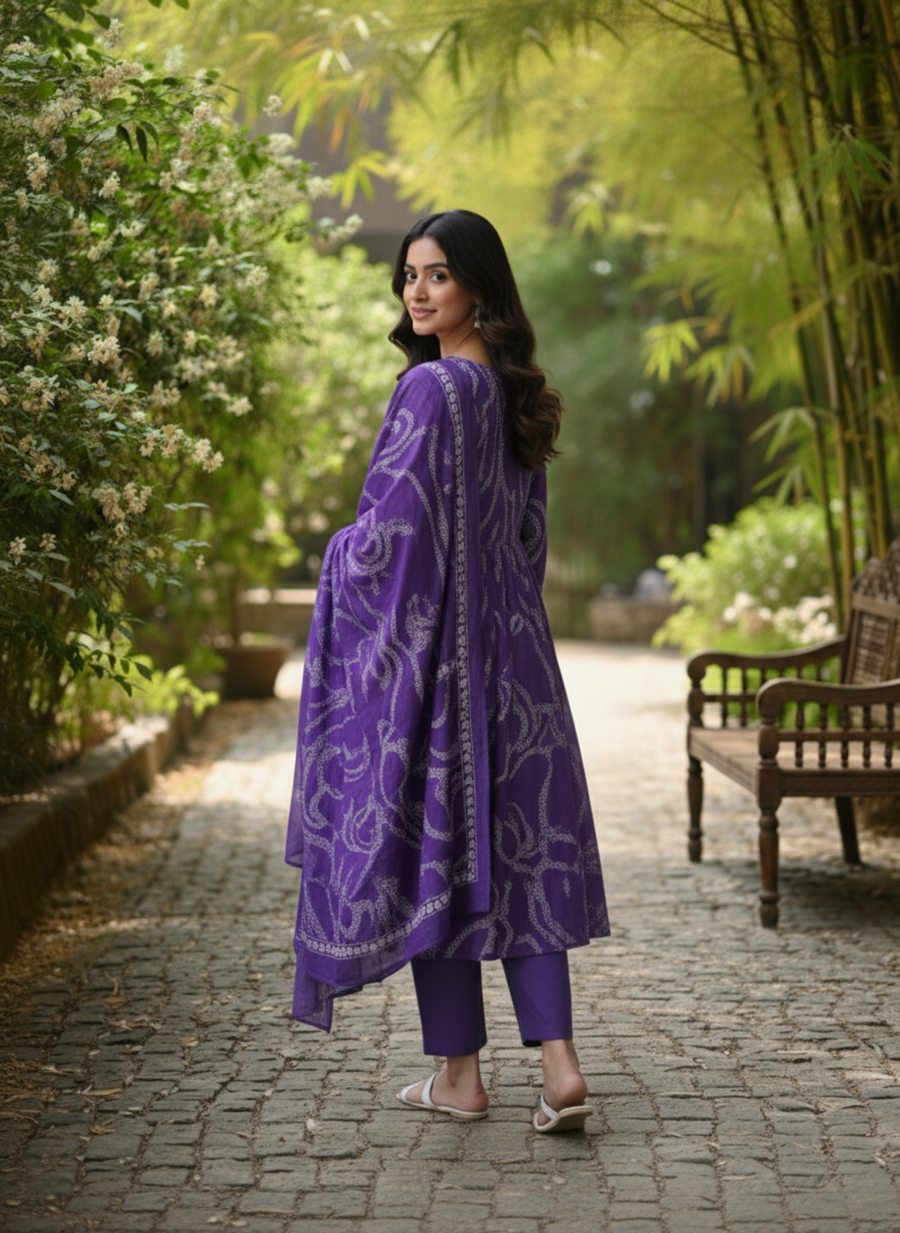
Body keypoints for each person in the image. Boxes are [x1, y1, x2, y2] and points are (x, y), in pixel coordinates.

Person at [286, 209, 609, 1131]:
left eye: (436, 275)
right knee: (518, 862)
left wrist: (340, 558)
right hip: (521, 668)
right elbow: (527, 541)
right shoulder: (516, 394)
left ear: (477, 285)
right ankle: (559, 1065)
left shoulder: (429, 392)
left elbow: (387, 541)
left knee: (437, 853)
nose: (417, 292)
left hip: (442, 668)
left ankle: (461, 1078)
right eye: (409, 275)